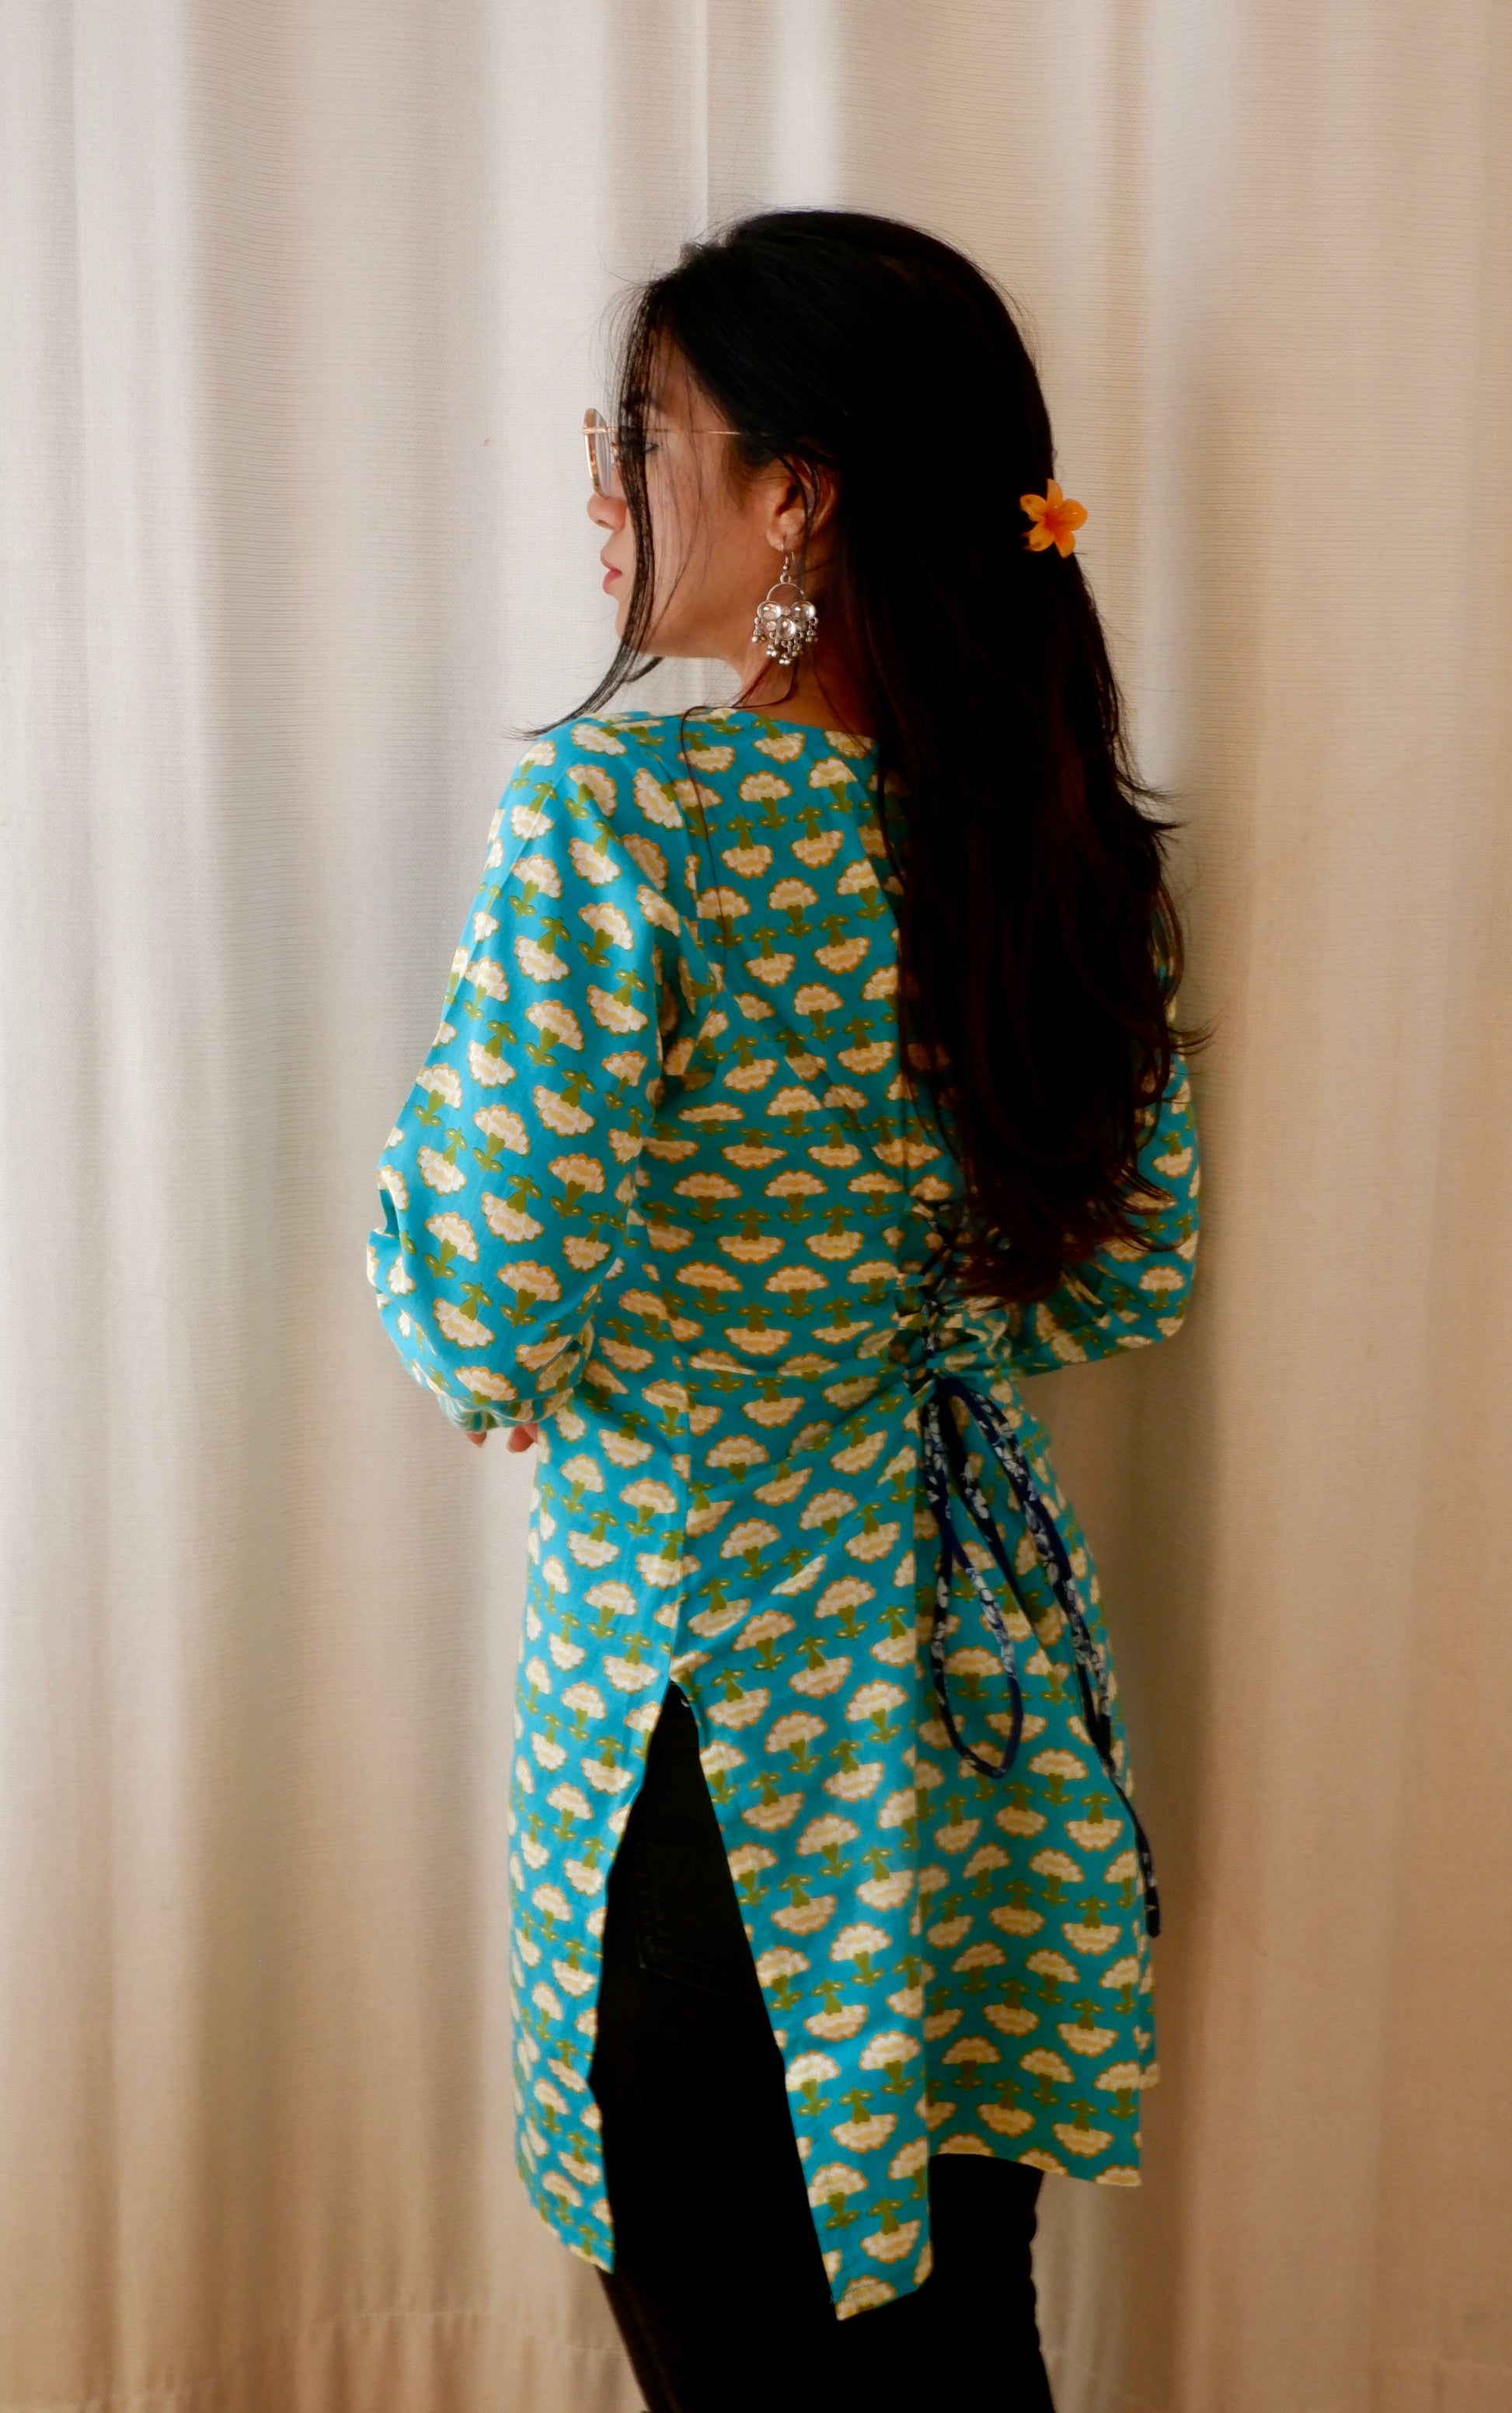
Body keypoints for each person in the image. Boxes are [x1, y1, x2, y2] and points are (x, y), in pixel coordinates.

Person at [368, 210, 1201, 2413]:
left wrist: (585, 1335)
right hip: (974, 1707)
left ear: (795, 495)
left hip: (711, 1730)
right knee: (954, 2353)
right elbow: (1123, 1275)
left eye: (639, 436)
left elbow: (483, 1310)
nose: (600, 486)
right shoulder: (1058, 838)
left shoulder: (621, 813)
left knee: (747, 2358)